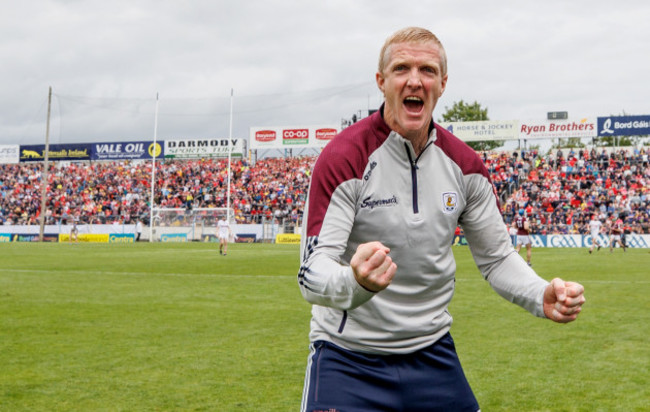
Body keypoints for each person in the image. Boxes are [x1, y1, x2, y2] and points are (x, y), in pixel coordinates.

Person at [298, 27, 585, 412]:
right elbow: (311, 273)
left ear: (442, 83)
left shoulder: (465, 166)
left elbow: (497, 257)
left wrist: (539, 293)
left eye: (427, 70)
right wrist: (355, 281)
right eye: (401, 68)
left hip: (432, 356)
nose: (415, 79)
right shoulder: (344, 157)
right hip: (347, 358)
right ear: (382, 82)